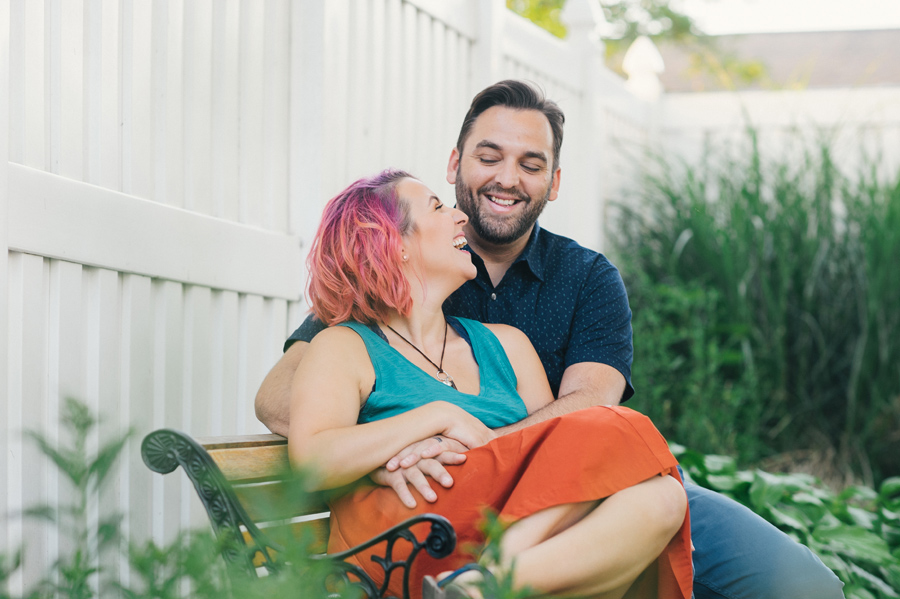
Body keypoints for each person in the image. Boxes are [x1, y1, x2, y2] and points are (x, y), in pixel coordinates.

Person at [258, 80, 845, 599]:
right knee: (628, 462)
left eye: (531, 164)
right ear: (455, 162)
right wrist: (393, 450)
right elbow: (286, 402)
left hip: (587, 483)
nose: (507, 178)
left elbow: (591, 410)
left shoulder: (583, 279)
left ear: (554, 182)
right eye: (490, 157)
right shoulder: (373, 309)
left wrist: (484, 451)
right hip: (447, 511)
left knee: (784, 575)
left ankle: (488, 585)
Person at [289, 168, 692, 599]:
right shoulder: (344, 346)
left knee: (665, 498)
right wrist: (438, 416)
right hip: (409, 535)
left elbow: (555, 463)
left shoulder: (507, 346)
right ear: (396, 244)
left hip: (507, 524)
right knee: (612, 426)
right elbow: (311, 462)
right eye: (437, 207)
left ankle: (484, 584)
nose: (460, 216)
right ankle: (487, 580)